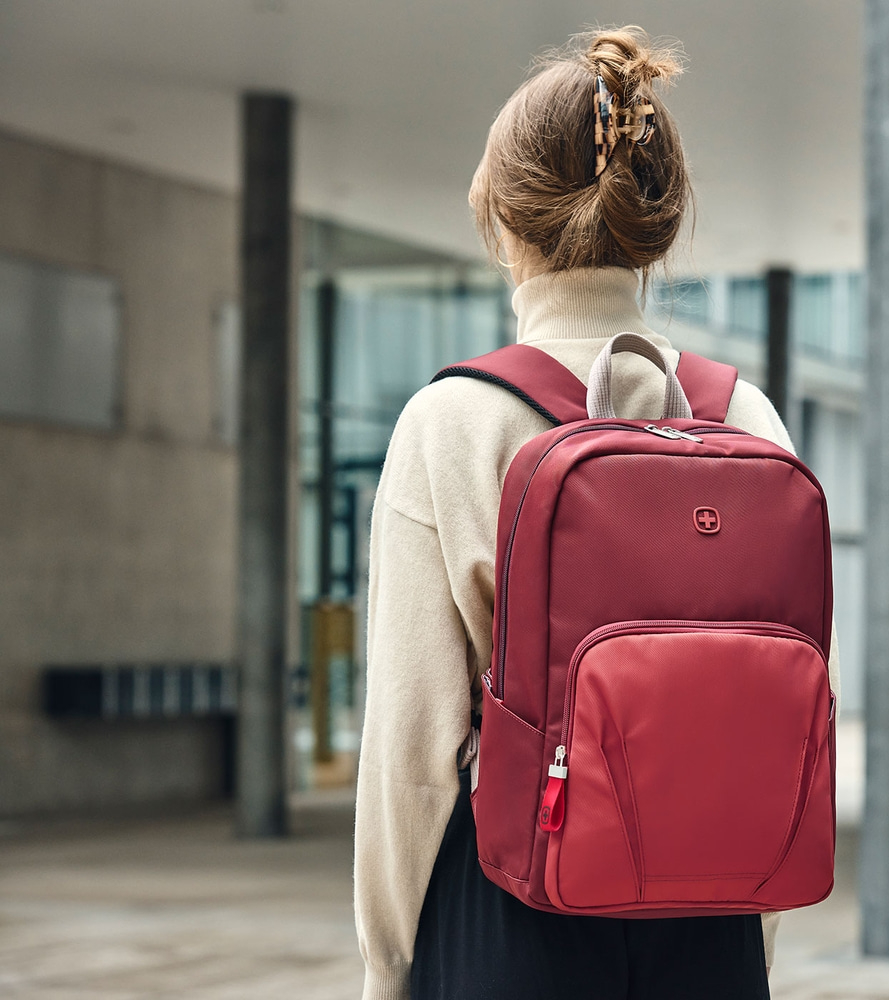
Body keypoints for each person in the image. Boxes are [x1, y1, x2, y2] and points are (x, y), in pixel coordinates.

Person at [354, 25, 841, 1000]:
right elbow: (785, 710)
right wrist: (750, 928)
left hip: (510, 908)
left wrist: (387, 968)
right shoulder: (745, 417)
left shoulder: (452, 421)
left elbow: (412, 749)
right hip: (714, 917)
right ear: (656, 218)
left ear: (500, 216)